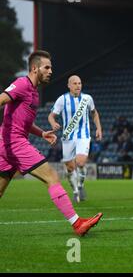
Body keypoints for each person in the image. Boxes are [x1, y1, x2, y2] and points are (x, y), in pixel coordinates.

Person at [0, 50, 102, 236]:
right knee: (52, 177)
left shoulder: (34, 93)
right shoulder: (22, 84)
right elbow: (1, 99)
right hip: (14, 144)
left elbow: (25, 122)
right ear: (34, 68)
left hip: (8, 145)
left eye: (51, 68)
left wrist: (41, 134)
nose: (50, 71)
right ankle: (77, 224)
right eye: (46, 67)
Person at [48, 75, 102, 203]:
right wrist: (53, 123)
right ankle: (75, 191)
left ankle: (81, 185)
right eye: (75, 83)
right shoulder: (62, 99)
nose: (78, 86)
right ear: (69, 85)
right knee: (70, 168)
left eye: (80, 83)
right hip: (68, 137)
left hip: (84, 135)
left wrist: (99, 128)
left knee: (81, 162)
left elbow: (94, 113)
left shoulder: (87, 99)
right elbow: (51, 116)